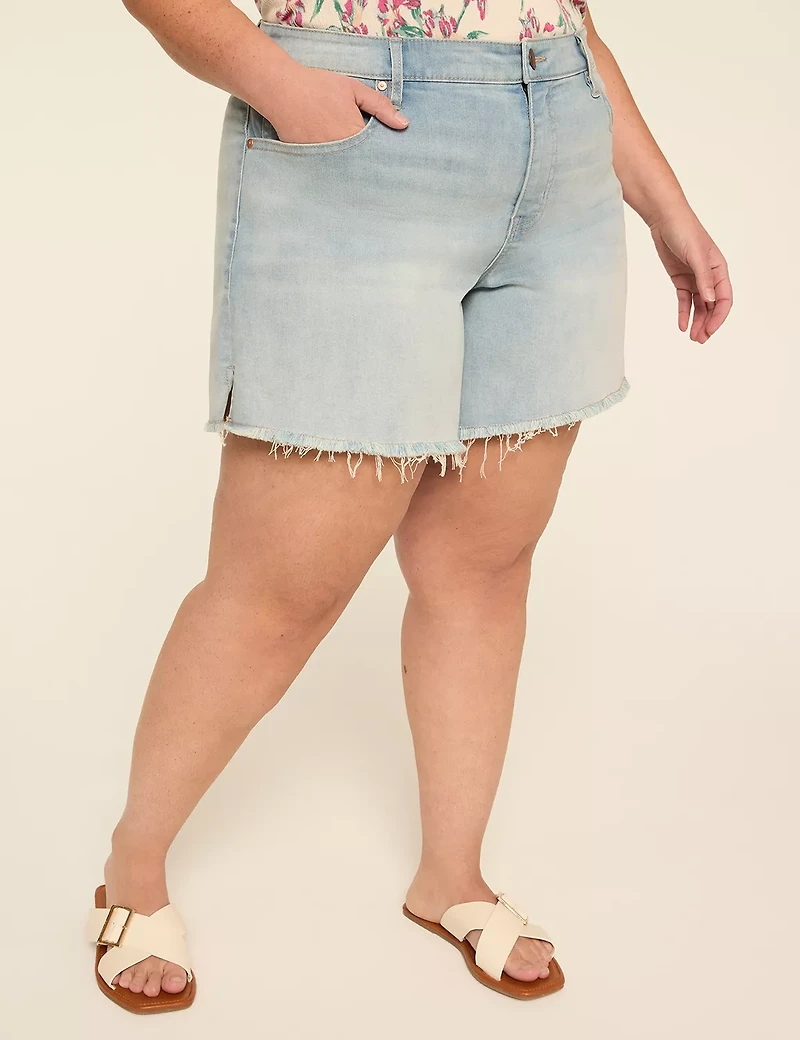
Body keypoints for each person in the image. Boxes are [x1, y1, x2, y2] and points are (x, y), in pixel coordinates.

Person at [88, 0, 733, 1013]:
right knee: (281, 587)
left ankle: (451, 877)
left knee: (484, 563)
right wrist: (280, 86)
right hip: (361, 143)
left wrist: (663, 202)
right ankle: (132, 870)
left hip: (563, 149)